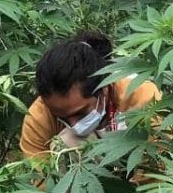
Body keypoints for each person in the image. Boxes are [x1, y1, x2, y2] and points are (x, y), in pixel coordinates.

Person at [19, 31, 162, 160]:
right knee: (68, 142)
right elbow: (37, 174)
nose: (74, 125)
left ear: (103, 88)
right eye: (63, 118)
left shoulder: (140, 93)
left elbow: (160, 157)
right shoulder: (38, 115)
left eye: (80, 113)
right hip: (74, 177)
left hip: (136, 169)